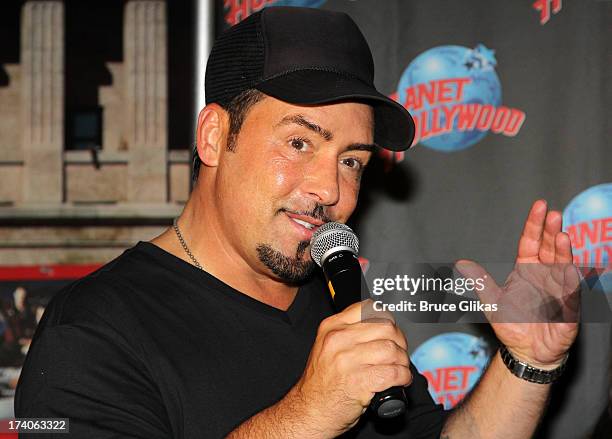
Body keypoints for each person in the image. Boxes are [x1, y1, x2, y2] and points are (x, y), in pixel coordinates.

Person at [15, 7, 580, 438]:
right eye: (298, 141)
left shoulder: (337, 299)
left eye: (352, 160)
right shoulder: (91, 332)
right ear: (214, 137)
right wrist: (309, 414)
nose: (330, 189)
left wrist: (527, 363)